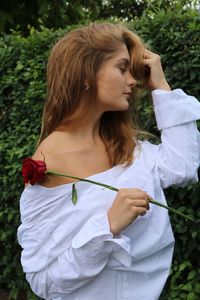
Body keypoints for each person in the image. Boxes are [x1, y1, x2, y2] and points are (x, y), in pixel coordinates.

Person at [17, 23, 200, 300]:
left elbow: (182, 168)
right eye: (122, 68)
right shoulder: (50, 161)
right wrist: (107, 228)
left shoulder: (125, 147)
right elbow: (44, 281)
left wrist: (161, 86)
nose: (133, 81)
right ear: (87, 73)